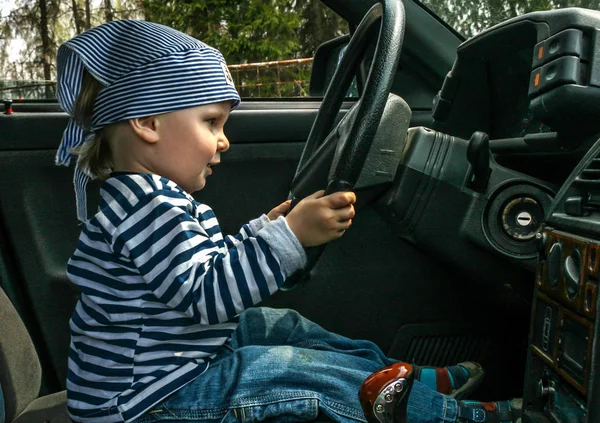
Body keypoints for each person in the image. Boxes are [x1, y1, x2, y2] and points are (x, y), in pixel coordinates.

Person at [56, 19, 521, 423]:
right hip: (146, 402)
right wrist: (291, 236)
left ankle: (412, 382)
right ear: (148, 122)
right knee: (286, 368)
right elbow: (207, 295)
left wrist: (265, 228)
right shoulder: (147, 208)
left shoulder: (145, 198)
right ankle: (452, 415)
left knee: (277, 326)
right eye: (211, 122)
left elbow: (199, 267)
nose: (224, 142)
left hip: (170, 364)